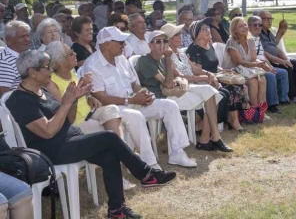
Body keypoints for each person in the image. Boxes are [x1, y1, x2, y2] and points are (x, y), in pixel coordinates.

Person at [6, 50, 177, 219]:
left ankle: (117, 210)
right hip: (50, 150)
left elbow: (70, 119)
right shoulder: (19, 100)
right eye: (46, 67)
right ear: (32, 72)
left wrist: (73, 99)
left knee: (109, 155)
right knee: (109, 137)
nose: (51, 70)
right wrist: (65, 103)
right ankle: (146, 174)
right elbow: (48, 131)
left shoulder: (44, 92)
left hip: (69, 139)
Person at [83, 27, 197, 167]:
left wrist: (144, 93)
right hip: (113, 110)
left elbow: (134, 84)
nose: (124, 45)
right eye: (120, 42)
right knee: (135, 116)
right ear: (107, 44)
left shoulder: (121, 60)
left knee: (170, 106)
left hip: (133, 101)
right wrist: (130, 100)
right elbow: (101, 98)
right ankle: (150, 164)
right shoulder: (92, 65)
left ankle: (177, 153)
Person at [134, 29, 232, 152]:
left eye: (164, 41)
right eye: (158, 42)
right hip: (162, 97)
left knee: (209, 91)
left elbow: (179, 75)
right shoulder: (145, 60)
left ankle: (211, 138)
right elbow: (168, 84)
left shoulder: (165, 57)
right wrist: (169, 59)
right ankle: (206, 140)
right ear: (150, 45)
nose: (162, 44)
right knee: (209, 96)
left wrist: (202, 75)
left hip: (175, 91)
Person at [163, 23, 235, 135]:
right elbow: (180, 77)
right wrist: (204, 78)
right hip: (184, 86)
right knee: (217, 93)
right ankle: (201, 126)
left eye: (180, 34)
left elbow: (195, 69)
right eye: (176, 35)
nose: (180, 36)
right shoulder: (167, 56)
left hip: (194, 82)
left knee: (224, 93)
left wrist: (208, 74)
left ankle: (208, 126)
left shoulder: (181, 53)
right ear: (168, 39)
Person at [44, 41, 123, 136]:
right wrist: (79, 86)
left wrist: (89, 97)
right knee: (109, 129)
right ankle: (121, 148)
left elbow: (82, 94)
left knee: (112, 110)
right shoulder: (51, 82)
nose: (75, 54)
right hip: (77, 122)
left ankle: (120, 148)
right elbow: (64, 111)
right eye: (71, 53)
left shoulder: (71, 72)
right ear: (60, 61)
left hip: (90, 112)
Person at [185, 19, 248, 131]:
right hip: (206, 79)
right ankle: (230, 121)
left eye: (207, 27)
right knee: (231, 88)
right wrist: (215, 75)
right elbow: (197, 71)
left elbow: (216, 66)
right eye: (204, 29)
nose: (208, 30)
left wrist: (224, 71)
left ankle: (234, 120)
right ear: (196, 35)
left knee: (238, 85)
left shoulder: (210, 46)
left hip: (216, 76)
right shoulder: (194, 49)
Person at [259, 11, 296, 102]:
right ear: (259, 20)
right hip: (268, 62)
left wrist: (281, 31)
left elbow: (274, 45)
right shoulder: (258, 33)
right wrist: (282, 61)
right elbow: (264, 53)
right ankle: (293, 96)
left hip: (276, 60)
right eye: (266, 18)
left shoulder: (268, 32)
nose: (269, 21)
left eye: (270, 18)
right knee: (287, 67)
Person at [222, 17, 268, 106]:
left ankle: (261, 109)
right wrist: (258, 64)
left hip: (248, 70)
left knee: (262, 79)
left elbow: (254, 59)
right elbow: (239, 62)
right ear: (234, 30)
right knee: (253, 82)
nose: (245, 27)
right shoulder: (231, 42)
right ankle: (254, 109)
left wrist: (263, 64)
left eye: (245, 25)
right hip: (234, 71)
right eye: (241, 26)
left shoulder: (250, 40)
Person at [248, 15, 290, 112]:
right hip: (254, 67)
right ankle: (272, 104)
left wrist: (270, 66)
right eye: (255, 25)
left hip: (263, 65)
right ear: (248, 26)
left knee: (282, 73)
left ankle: (283, 99)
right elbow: (252, 59)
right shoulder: (248, 39)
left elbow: (263, 55)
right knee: (270, 76)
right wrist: (267, 67)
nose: (257, 27)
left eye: (260, 25)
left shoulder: (258, 38)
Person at [0, 21, 31, 94]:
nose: (27, 39)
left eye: (28, 35)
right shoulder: (4, 62)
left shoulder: (27, 54)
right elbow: (4, 94)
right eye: (22, 37)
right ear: (9, 40)